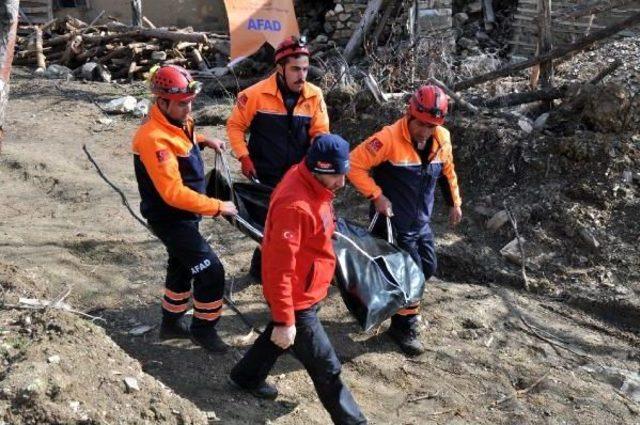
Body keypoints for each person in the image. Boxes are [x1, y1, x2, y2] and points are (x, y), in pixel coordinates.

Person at [229, 134, 368, 425]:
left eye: (344, 174)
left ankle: (246, 377)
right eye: (337, 177)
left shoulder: (312, 181)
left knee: (278, 338)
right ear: (318, 170)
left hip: (310, 286)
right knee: (326, 366)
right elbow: (278, 268)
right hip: (296, 296)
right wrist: (285, 318)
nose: (342, 184)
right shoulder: (294, 206)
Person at [347, 85, 462, 356]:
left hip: (420, 222)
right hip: (392, 220)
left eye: (431, 126)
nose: (425, 132)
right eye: (421, 124)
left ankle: (384, 300)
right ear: (409, 115)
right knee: (412, 276)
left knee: (429, 267)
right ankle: (404, 326)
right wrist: (376, 196)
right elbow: (353, 164)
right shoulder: (387, 138)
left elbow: (447, 172)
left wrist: (454, 203)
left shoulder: (442, 138)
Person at [132, 65, 238, 353]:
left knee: (180, 265)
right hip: (170, 217)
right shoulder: (154, 138)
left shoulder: (179, 121)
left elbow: (187, 139)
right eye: (182, 103)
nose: (189, 108)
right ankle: (204, 329)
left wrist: (206, 141)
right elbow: (173, 193)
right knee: (211, 271)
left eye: (191, 101)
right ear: (161, 101)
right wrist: (217, 207)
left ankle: (171, 322)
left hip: (185, 215)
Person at [226, 35, 330, 280]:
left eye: (305, 69)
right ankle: (261, 270)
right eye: (295, 69)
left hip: (300, 177)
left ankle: (285, 273)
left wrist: (318, 166)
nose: (301, 75)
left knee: (297, 227)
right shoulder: (254, 95)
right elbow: (235, 126)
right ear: (280, 68)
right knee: (271, 227)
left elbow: (321, 134)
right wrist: (244, 157)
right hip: (266, 173)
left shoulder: (314, 96)